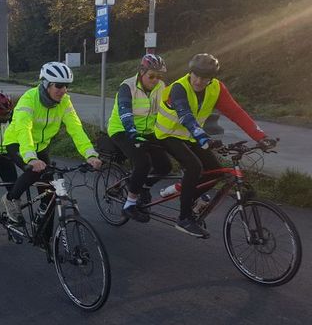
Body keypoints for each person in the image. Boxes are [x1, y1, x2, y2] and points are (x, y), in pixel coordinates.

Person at [155, 53, 277, 238]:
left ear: (212, 78)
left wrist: (261, 137)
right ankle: (184, 218)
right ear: (191, 72)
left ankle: (187, 194)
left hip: (191, 135)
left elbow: (237, 113)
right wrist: (203, 137)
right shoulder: (179, 87)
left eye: (204, 78)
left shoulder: (216, 88)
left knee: (217, 172)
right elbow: (185, 115)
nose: (198, 81)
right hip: (167, 134)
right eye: (195, 75)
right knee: (194, 167)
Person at [1, 61, 102, 225]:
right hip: (18, 143)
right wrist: (31, 158)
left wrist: (90, 154)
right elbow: (23, 129)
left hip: (41, 146)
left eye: (66, 86)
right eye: (59, 85)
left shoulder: (65, 102)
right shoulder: (29, 99)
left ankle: (45, 239)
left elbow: (76, 129)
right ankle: (11, 198)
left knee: (49, 196)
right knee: (34, 172)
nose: (63, 90)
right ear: (46, 84)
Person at [107, 54, 172, 223]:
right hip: (122, 130)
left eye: (159, 76)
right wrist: (131, 131)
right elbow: (125, 111)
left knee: (165, 166)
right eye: (151, 76)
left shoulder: (161, 87)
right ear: (141, 72)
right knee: (143, 163)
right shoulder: (127, 87)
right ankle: (129, 204)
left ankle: (143, 186)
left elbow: (168, 112)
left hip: (147, 132)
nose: (155, 80)